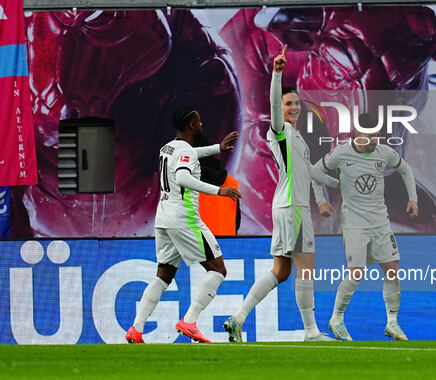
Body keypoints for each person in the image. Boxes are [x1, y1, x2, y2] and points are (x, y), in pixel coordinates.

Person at [224, 46, 336, 342]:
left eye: (297, 103)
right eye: (288, 104)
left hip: (289, 207)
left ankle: (237, 319)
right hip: (292, 207)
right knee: (307, 267)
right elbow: (273, 109)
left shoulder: (299, 138)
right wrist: (277, 74)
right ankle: (311, 332)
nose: (293, 107)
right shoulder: (280, 132)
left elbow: (310, 173)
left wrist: (332, 186)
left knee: (282, 270)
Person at [126, 106, 242, 343]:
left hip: (163, 217)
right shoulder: (185, 152)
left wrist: (217, 148)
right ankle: (189, 320)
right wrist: (220, 190)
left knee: (163, 275)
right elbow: (182, 176)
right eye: (199, 122)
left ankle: (136, 329)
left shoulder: (168, 147)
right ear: (191, 125)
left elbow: (190, 154)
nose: (201, 125)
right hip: (185, 218)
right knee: (218, 270)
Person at [311, 114, 419, 341]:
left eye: (377, 136)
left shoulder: (385, 152)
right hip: (354, 224)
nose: (374, 141)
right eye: (369, 136)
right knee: (357, 272)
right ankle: (336, 319)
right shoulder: (340, 153)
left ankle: (392, 322)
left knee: (392, 269)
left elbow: (405, 170)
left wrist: (413, 198)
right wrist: (321, 200)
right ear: (357, 134)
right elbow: (315, 172)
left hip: (380, 221)